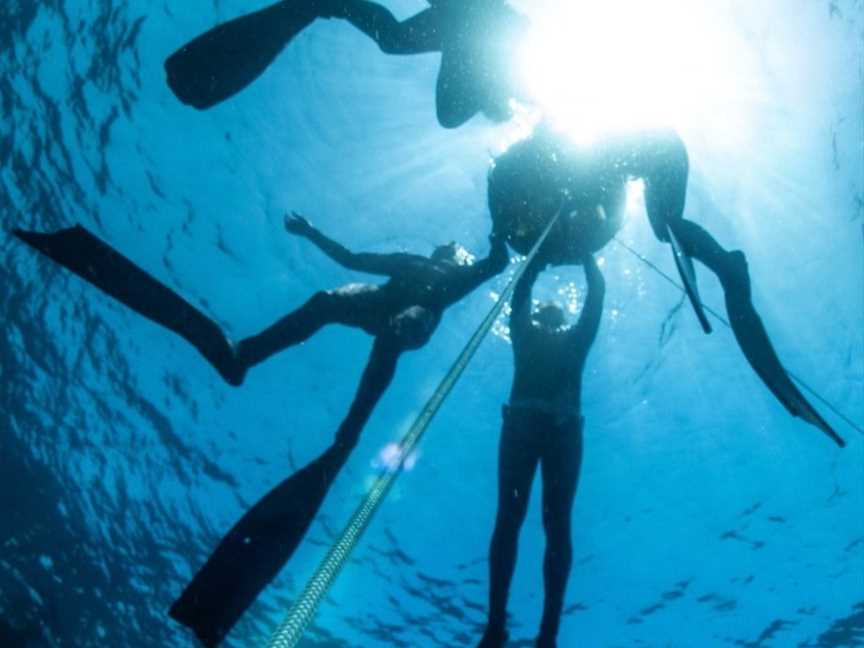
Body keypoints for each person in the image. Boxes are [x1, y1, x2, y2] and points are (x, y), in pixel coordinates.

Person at [13, 213, 509, 647]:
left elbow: (495, 264)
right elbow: (352, 256)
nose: (448, 250)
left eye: (452, 251)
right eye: (447, 248)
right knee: (326, 301)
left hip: (405, 324)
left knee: (394, 342)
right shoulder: (407, 260)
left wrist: (499, 236)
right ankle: (244, 356)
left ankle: (346, 434)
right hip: (375, 305)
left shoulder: (454, 279)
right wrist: (310, 232)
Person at [486, 128, 844, 446]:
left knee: (664, 225)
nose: (526, 225)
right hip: (655, 155)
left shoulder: (558, 165)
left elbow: (597, 208)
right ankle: (728, 268)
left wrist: (559, 221)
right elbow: (597, 225)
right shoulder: (560, 182)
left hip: (662, 149)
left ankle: (729, 266)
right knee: (664, 225)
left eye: (525, 219)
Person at [478, 251, 605, 648]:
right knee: (542, 522)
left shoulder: (531, 336)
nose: (548, 320)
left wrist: (543, 264)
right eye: (547, 315)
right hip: (553, 429)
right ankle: (525, 630)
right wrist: (583, 259)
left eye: (550, 316)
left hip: (533, 427)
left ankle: (511, 628)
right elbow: (593, 299)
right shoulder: (551, 338)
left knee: (526, 521)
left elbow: (588, 301)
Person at [166, 0, 529, 127]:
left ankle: (326, 3)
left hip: (472, 27)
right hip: (481, 24)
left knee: (392, 41)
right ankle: (326, 4)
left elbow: (450, 113)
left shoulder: (482, 61)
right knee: (394, 41)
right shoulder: (503, 56)